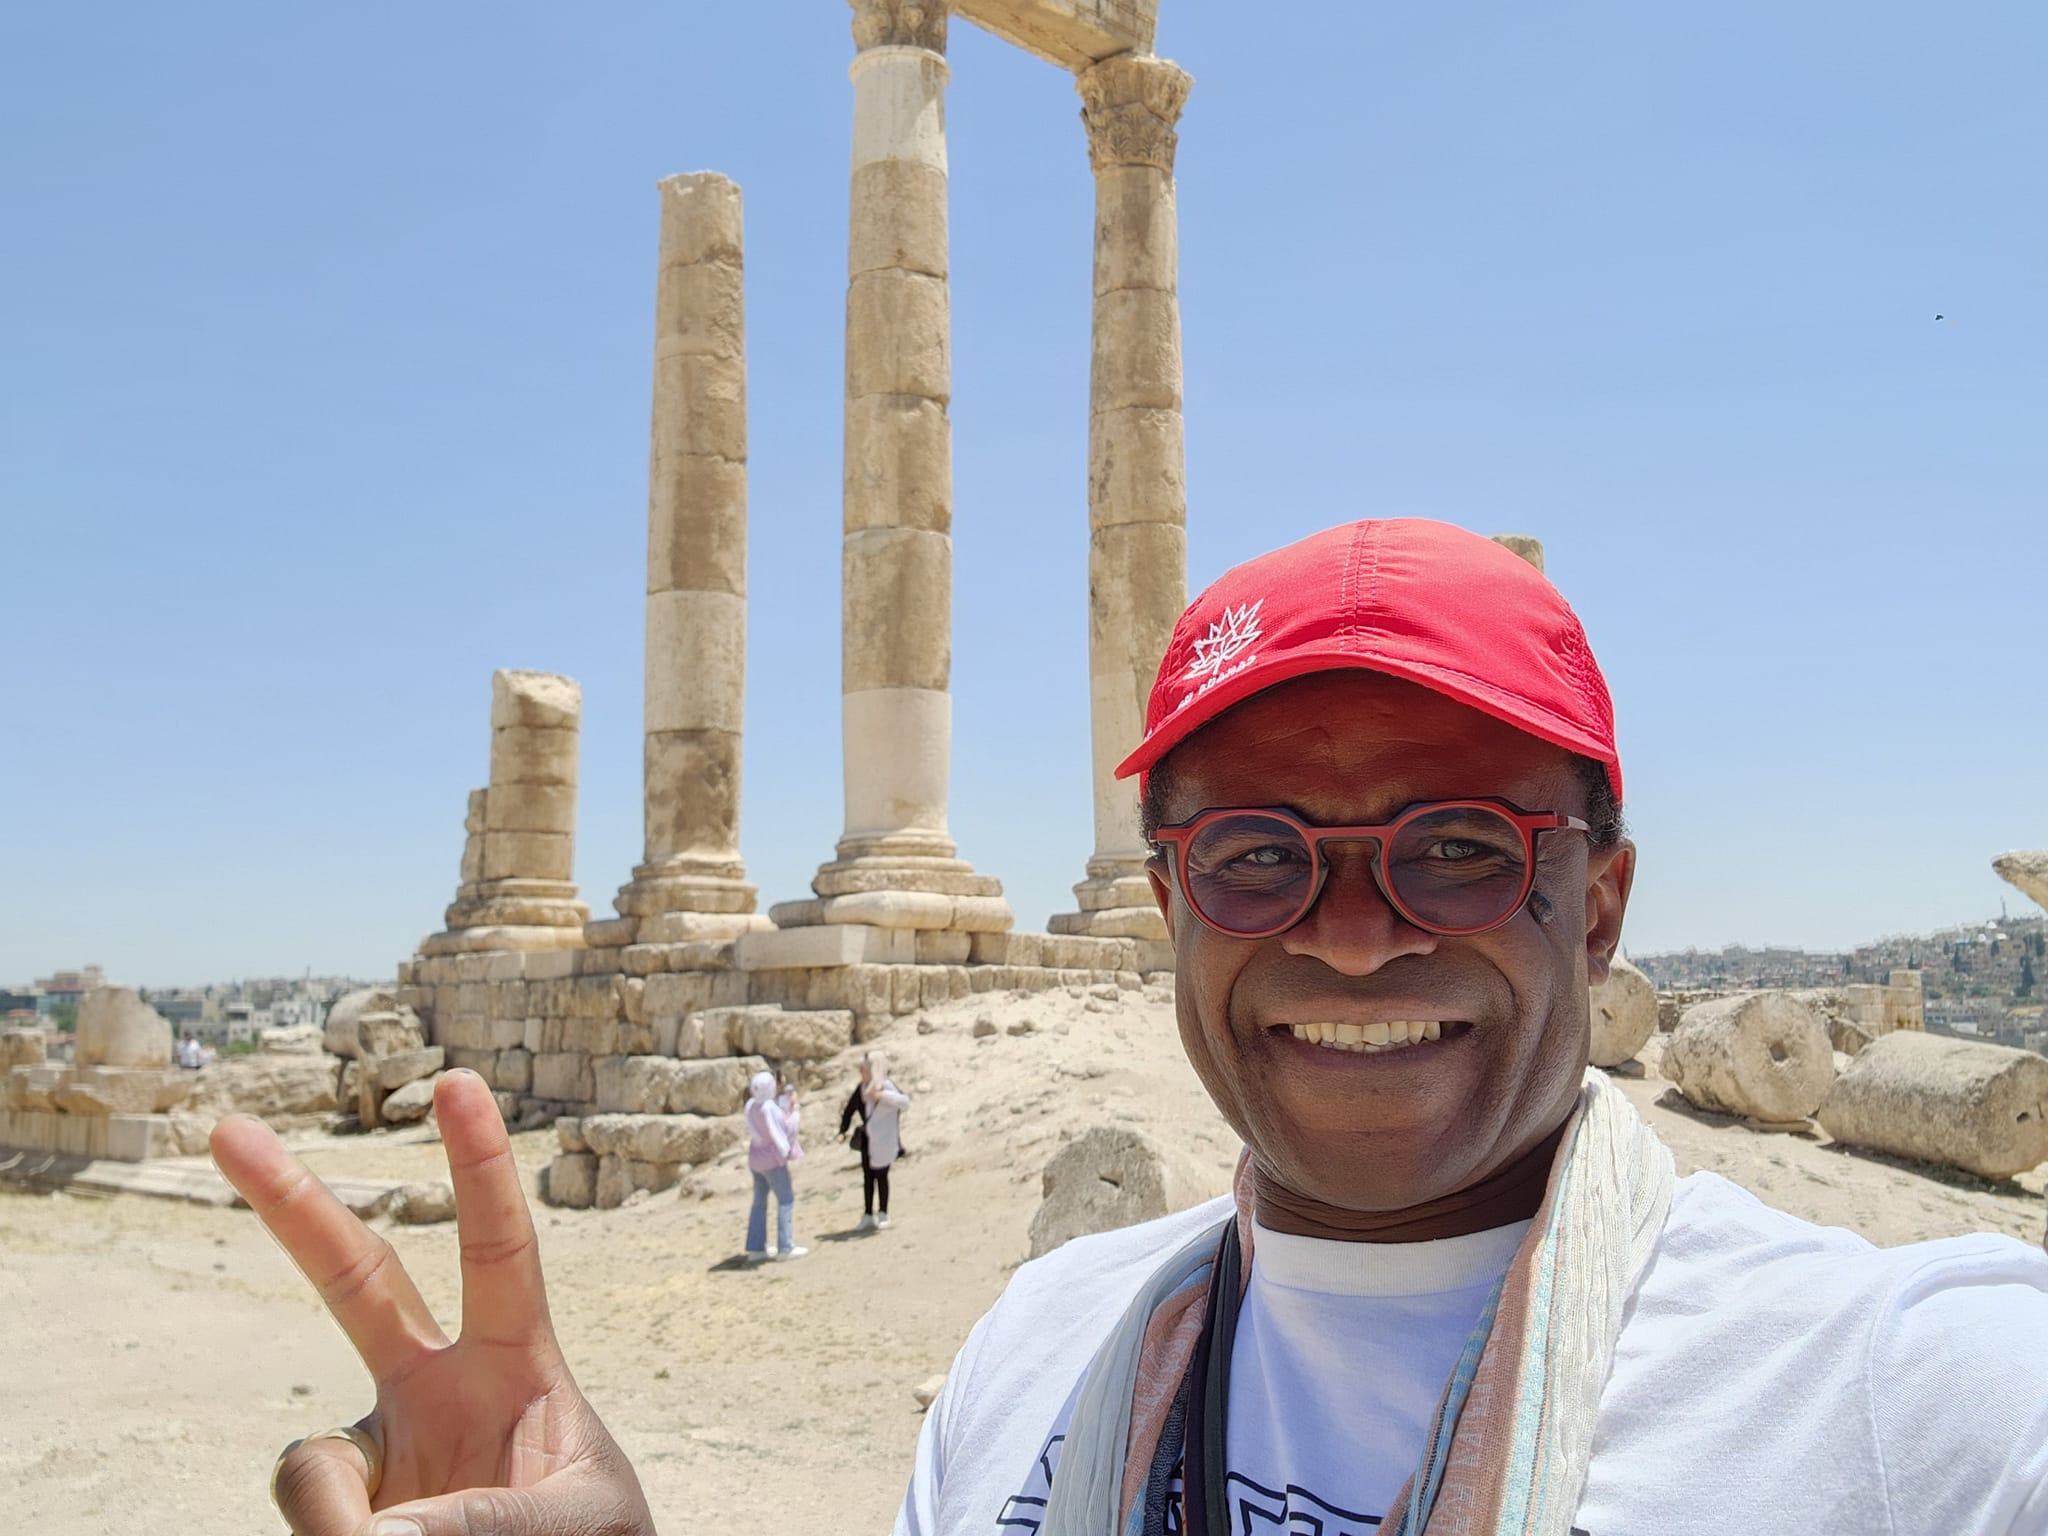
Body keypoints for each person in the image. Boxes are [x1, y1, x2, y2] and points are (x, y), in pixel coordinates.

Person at [211, 518, 2048, 1536]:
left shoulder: (1913, 1406)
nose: (1349, 936)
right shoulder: (1036, 1356)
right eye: (1254, 858)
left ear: (1604, 902)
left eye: (1458, 848)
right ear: (1166, 904)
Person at [839, 1050, 911, 1231]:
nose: (861, 1072)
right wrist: (842, 1130)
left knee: (882, 1176)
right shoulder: (862, 1089)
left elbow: (904, 1102)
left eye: (864, 1069)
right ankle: (868, 1215)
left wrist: (882, 1096)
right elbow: (850, 1109)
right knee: (868, 1177)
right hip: (868, 1140)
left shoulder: (886, 1086)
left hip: (884, 1140)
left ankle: (883, 1213)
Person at [742, 1069, 805, 1265]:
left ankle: (756, 1248)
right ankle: (785, 1246)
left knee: (759, 1202)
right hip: (772, 1161)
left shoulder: (752, 1105)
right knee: (785, 1199)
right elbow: (786, 1129)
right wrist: (795, 1109)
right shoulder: (769, 1108)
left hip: (756, 1159)